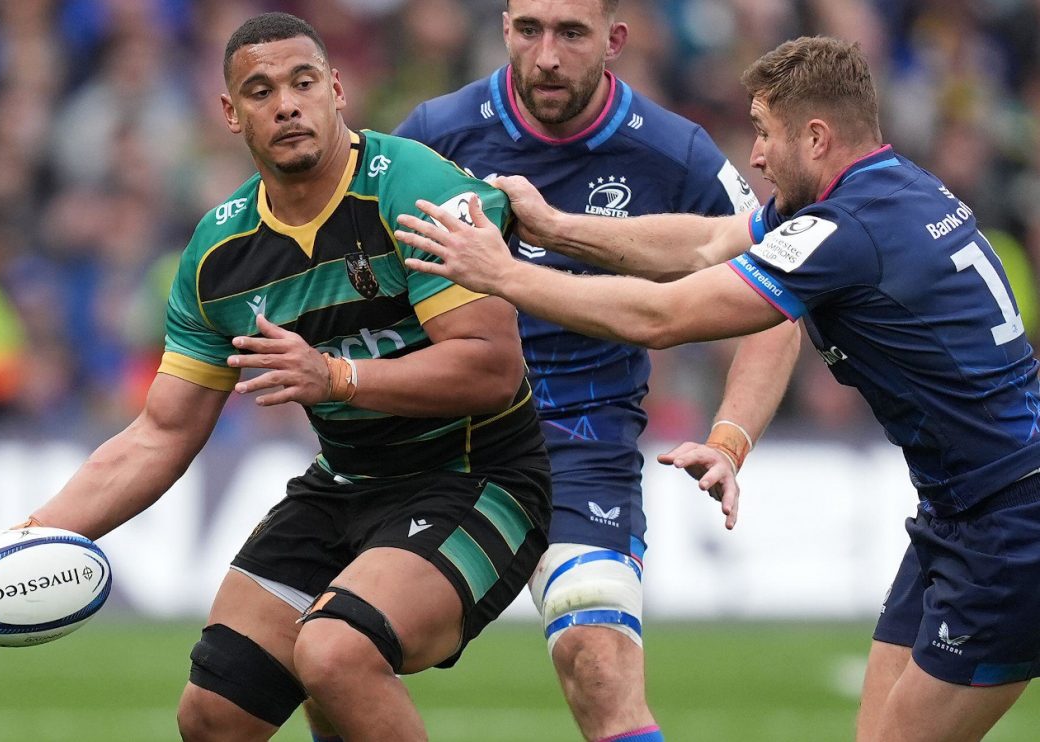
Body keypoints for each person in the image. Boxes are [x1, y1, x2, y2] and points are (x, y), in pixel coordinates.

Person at [395, 35, 1040, 742]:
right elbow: (704, 243)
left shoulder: (847, 229)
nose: (756, 155)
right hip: (963, 510)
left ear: (815, 138)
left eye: (765, 133)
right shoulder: (882, 190)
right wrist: (557, 229)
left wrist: (505, 274)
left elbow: (662, 316)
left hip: (1009, 525)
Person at [0, 12, 553, 742]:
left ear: (337, 90)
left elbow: (491, 366)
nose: (287, 105)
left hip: (478, 477)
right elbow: (161, 432)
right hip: (347, 483)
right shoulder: (218, 254)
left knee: (335, 653)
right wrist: (29, 534)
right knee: (213, 716)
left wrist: (336, 377)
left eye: (304, 83)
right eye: (261, 90)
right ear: (230, 113)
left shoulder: (415, 188)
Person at [303, 3, 799, 740]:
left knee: (598, 661)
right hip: (440, 441)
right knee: (333, 663)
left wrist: (730, 438)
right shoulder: (437, 134)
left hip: (580, 442)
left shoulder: (675, 153)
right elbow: (357, 272)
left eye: (571, 33)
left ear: (614, 40)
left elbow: (780, 295)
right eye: (530, 29)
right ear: (505, 28)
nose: (547, 56)